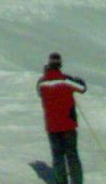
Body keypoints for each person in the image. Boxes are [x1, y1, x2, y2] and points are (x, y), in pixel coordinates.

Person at [37, 52, 87, 184]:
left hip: (52, 126)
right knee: (72, 156)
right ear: (60, 64)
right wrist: (77, 80)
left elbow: (39, 93)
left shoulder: (42, 83)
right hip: (68, 124)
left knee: (58, 157)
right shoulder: (66, 80)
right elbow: (82, 88)